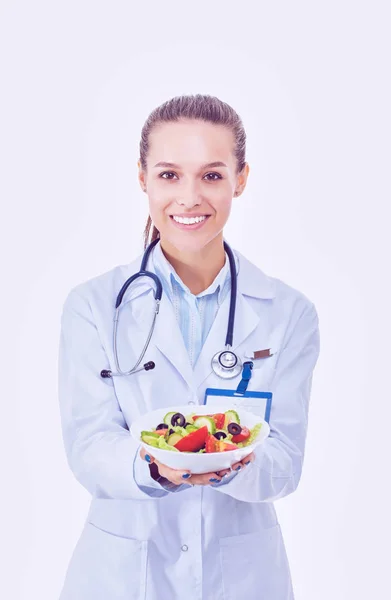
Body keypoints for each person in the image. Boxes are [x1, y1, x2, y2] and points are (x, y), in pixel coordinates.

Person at [58, 93, 320, 600]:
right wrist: (153, 466)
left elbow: (285, 461)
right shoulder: (93, 306)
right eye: (169, 174)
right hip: (122, 572)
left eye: (213, 175)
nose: (189, 197)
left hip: (244, 575)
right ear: (142, 177)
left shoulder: (288, 313)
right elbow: (88, 445)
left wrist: (233, 463)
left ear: (241, 179)